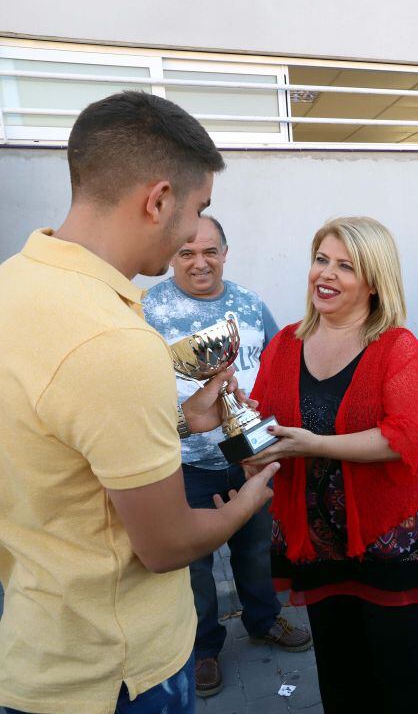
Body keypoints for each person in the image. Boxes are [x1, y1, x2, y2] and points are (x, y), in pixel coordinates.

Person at [0, 91, 277, 714]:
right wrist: (250, 502)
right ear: (157, 200)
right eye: (197, 209)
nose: (195, 233)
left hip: (38, 646)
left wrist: (182, 418)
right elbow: (167, 545)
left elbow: (63, 445)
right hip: (119, 674)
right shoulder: (115, 340)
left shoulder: (14, 283)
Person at [243, 216, 418, 713]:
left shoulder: (397, 346)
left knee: (405, 674)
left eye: (344, 266)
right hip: (315, 540)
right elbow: (261, 421)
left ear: (373, 281)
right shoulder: (286, 343)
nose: (325, 275)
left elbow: (404, 438)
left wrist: (314, 444)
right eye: (320, 260)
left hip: (386, 534)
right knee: (339, 671)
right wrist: (228, 429)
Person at [144, 215, 311, 697]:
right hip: (182, 463)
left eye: (210, 251)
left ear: (225, 252)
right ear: (172, 253)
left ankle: (263, 620)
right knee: (194, 565)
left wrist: (271, 417)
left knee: (256, 550)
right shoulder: (146, 311)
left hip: (248, 458)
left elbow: (281, 363)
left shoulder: (248, 305)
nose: (200, 262)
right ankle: (204, 649)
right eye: (187, 252)